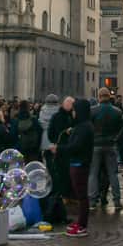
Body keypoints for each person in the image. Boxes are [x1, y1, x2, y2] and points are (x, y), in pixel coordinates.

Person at [54, 98, 93, 238]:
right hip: (77, 163)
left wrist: (59, 148)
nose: (73, 113)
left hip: (80, 164)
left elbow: (75, 147)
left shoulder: (84, 127)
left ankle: (82, 226)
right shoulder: (82, 126)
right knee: (80, 194)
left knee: (82, 196)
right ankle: (80, 222)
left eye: (75, 110)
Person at [89, 87, 123, 211]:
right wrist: (115, 139)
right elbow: (121, 129)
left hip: (96, 145)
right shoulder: (117, 112)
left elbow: (89, 128)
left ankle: (92, 201)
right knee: (112, 174)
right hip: (110, 144)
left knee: (93, 173)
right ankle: (117, 201)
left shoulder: (92, 111)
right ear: (109, 96)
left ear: (99, 97)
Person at [48, 96, 75, 201]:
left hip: (61, 148)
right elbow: (51, 133)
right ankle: (66, 195)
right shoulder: (71, 117)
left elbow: (50, 133)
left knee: (63, 173)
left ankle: (65, 195)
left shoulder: (56, 116)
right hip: (64, 148)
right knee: (65, 173)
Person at [12, 100, 42, 164]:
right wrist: (37, 145)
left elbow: (12, 135)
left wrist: (16, 145)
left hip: (20, 147)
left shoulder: (16, 120)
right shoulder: (33, 119)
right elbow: (40, 131)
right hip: (33, 148)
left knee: (21, 167)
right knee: (31, 167)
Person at [39, 93, 60, 166]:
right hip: (56, 138)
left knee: (47, 158)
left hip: (45, 137)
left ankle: (48, 171)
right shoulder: (59, 111)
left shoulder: (42, 111)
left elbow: (40, 123)